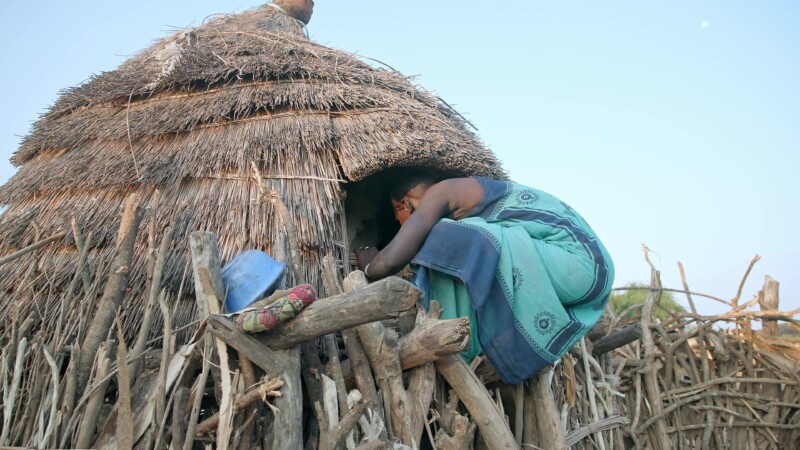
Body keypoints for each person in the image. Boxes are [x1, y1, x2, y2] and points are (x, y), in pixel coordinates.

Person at [355, 172, 614, 384]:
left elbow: (391, 260)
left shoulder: (441, 192)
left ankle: (460, 349)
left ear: (404, 203)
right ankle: (472, 341)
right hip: (592, 272)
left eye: (397, 212)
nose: (400, 221)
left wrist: (368, 267)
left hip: (579, 263)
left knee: (444, 237)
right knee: (466, 244)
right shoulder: (466, 195)